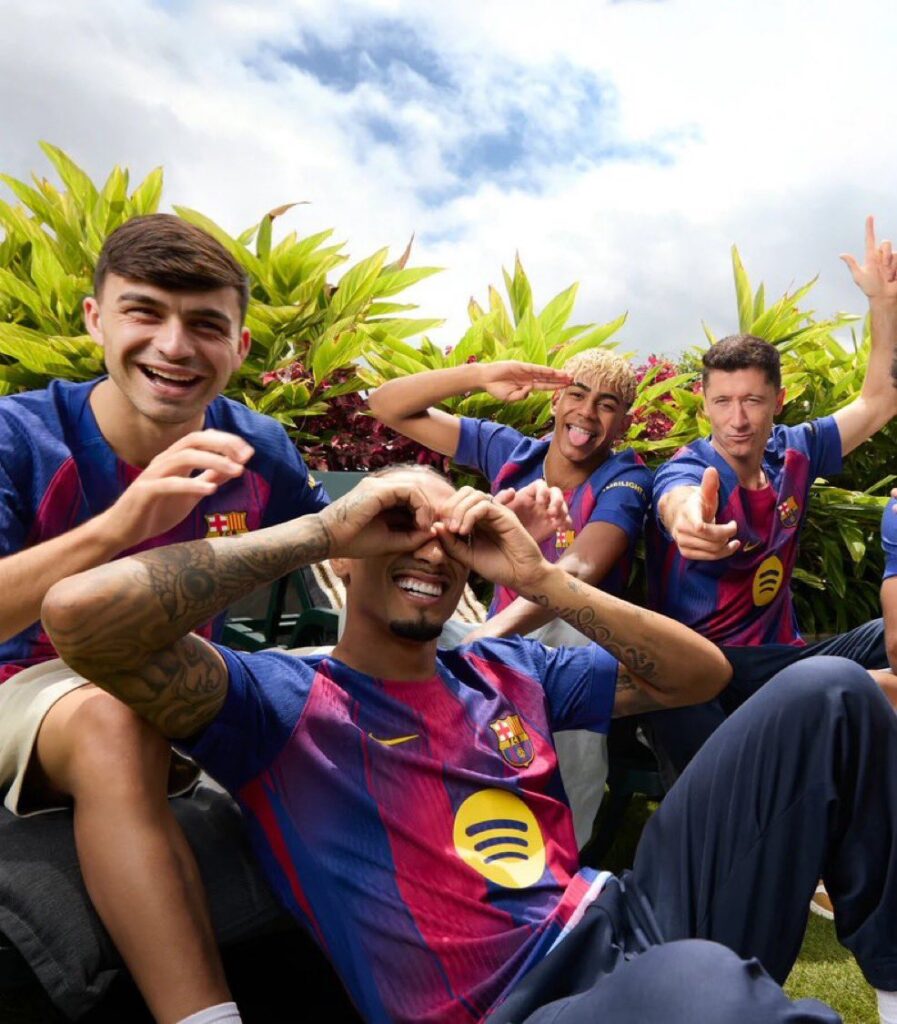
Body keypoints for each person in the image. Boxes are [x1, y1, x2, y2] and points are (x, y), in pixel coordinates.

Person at [42, 467, 897, 1024]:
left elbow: (699, 675)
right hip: (510, 1006)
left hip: (625, 917)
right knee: (701, 987)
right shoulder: (280, 700)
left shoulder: (504, 668)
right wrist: (323, 530)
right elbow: (79, 617)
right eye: (397, 524)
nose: (427, 548)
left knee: (829, 692)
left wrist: (542, 579)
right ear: (348, 556)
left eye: (449, 536)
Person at [0, 214, 328, 1024]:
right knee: (113, 719)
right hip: (28, 690)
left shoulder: (257, 446)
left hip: (179, 685)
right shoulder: (20, 435)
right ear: (95, 319)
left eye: (205, 325)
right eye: (144, 312)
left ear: (239, 347)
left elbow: (335, 545)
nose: (175, 346)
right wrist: (121, 525)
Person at [647, 216, 897, 777]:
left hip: (785, 663)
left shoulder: (797, 452)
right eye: (723, 402)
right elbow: (676, 500)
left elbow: (879, 401)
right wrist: (690, 524)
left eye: (753, 401)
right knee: (701, 747)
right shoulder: (688, 467)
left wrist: (883, 304)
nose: (737, 419)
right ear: (704, 404)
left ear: (778, 401)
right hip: (704, 671)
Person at [368, 350, 652, 843]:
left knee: (570, 627)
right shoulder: (512, 452)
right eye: (577, 395)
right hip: (498, 640)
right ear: (556, 401)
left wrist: (485, 637)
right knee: (375, 612)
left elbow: (579, 570)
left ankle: (568, 843)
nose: (587, 413)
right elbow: (386, 405)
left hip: (568, 652)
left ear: (623, 423)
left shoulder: (627, 478)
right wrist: (481, 375)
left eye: (607, 405)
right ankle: (386, 796)